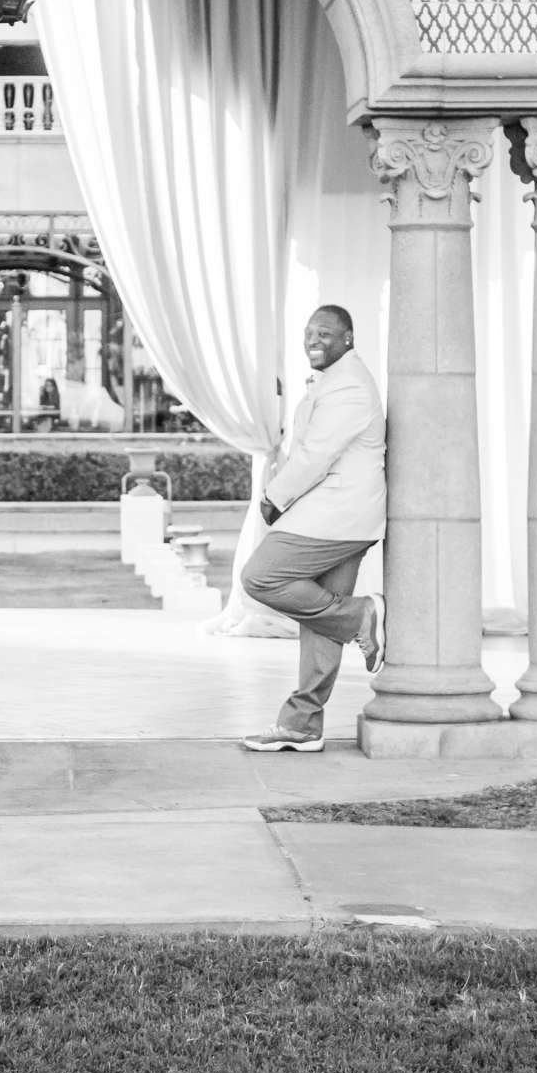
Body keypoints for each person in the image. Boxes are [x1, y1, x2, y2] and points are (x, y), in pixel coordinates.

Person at [239, 305, 387, 753]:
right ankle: (302, 724)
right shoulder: (335, 380)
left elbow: (315, 456)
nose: (314, 340)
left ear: (348, 339)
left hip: (336, 514)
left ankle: (363, 615)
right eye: (308, 333)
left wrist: (273, 498)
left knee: (259, 577)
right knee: (320, 618)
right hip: (342, 516)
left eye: (325, 332)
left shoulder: (348, 388)